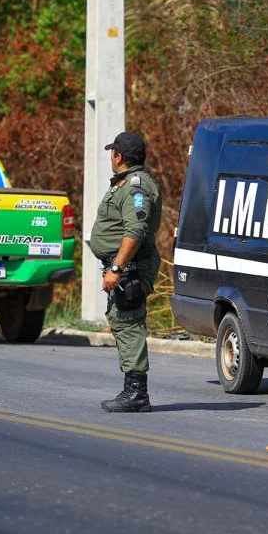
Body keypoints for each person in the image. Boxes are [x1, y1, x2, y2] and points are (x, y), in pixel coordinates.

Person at [89, 131, 162, 413]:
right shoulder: (124, 183)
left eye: (112, 153)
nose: (111, 156)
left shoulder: (136, 187)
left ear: (118, 156)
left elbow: (135, 230)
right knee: (122, 321)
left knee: (128, 323)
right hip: (123, 264)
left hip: (130, 265)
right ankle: (132, 389)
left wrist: (117, 268)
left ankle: (136, 393)